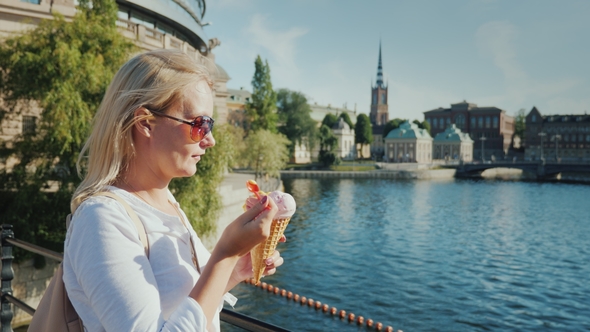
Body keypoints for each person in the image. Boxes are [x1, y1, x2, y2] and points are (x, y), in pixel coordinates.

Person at [63, 49, 282, 332]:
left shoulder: (166, 202)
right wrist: (224, 255)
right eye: (200, 124)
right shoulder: (101, 220)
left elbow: (185, 311)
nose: (211, 140)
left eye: (210, 124)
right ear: (145, 124)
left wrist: (235, 268)